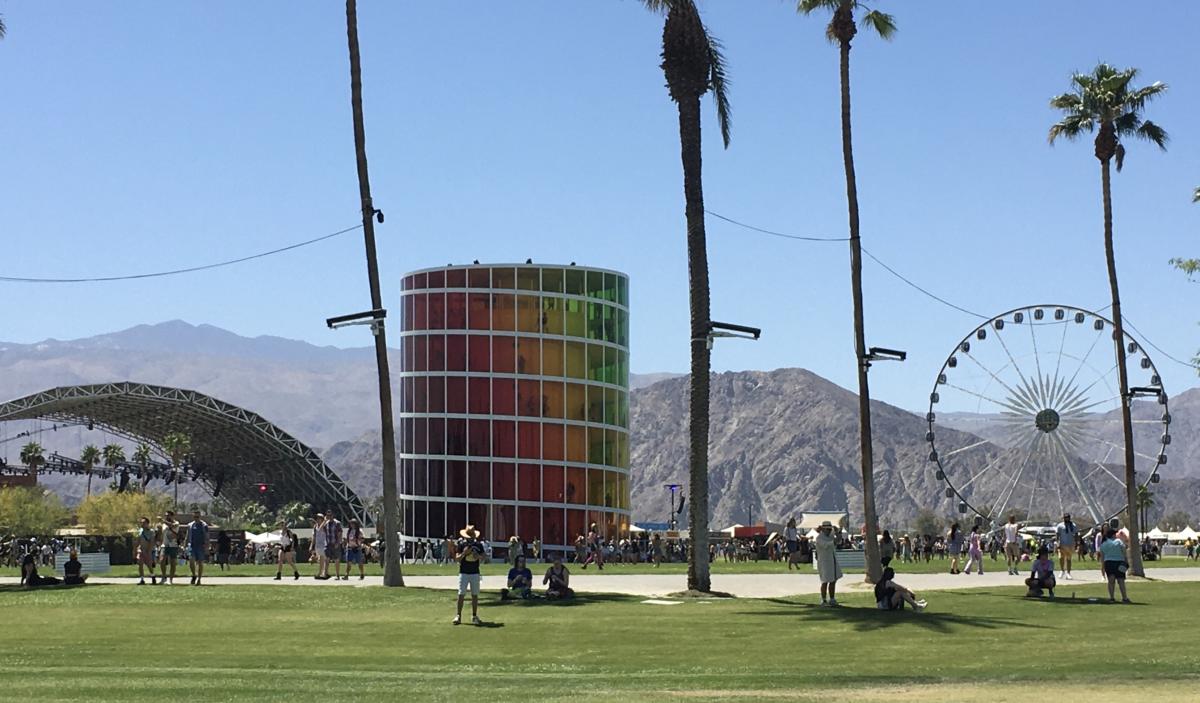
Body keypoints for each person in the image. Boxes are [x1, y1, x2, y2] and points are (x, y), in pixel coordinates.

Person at [453, 524, 486, 625]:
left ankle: (474, 615)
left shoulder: (479, 545)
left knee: (474, 595)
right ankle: (458, 615)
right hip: (464, 572)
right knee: (461, 594)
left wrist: (478, 556)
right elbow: (457, 559)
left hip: (475, 572)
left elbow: (484, 557)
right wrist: (464, 553)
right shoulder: (461, 545)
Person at [1099, 527, 1132, 603]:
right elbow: (1124, 552)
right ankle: (1124, 598)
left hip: (1109, 563)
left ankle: (1111, 598)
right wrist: (1126, 562)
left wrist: (1103, 567)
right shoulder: (1118, 541)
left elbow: (1102, 557)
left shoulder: (1103, 544)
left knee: (1111, 581)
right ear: (1113, 535)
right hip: (1119, 562)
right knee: (1121, 581)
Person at [814, 521, 843, 606]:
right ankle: (823, 600)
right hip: (824, 562)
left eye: (830, 529)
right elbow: (827, 545)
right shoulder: (819, 538)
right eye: (827, 529)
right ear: (823, 529)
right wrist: (836, 537)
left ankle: (832, 599)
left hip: (832, 560)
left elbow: (838, 540)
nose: (829, 531)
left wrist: (838, 532)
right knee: (825, 581)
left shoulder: (830, 535)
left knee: (833, 580)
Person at [185, 510, 210, 586]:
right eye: (195, 517)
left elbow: (207, 536)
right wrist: (185, 545)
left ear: (200, 517)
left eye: (197, 517)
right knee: (191, 561)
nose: (196, 518)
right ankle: (194, 575)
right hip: (192, 546)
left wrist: (207, 546)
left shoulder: (204, 525)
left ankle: (199, 579)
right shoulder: (190, 525)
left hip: (201, 546)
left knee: (200, 563)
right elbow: (187, 535)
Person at [159, 512, 181, 584]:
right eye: (165, 516)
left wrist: (163, 521)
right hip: (165, 545)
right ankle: (163, 577)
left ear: (172, 516)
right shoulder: (163, 525)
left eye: (168, 515)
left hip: (173, 545)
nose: (166, 517)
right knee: (162, 560)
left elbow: (172, 526)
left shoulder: (176, 523)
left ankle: (170, 579)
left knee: (172, 563)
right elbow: (162, 534)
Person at [323, 510, 345, 581]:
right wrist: (324, 521)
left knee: (336, 560)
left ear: (333, 515)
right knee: (326, 559)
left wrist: (338, 543)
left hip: (335, 544)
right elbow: (323, 530)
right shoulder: (326, 523)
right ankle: (325, 574)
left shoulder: (337, 523)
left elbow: (340, 533)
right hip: (328, 544)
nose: (329, 517)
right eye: (327, 515)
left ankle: (337, 575)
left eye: (330, 515)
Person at [1055, 513, 1078, 580]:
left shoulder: (1073, 525)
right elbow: (1057, 534)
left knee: (1068, 559)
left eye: (1068, 517)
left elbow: (1076, 534)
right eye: (1065, 517)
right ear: (1063, 518)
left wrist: (1076, 543)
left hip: (1070, 544)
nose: (1067, 519)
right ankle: (1062, 570)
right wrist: (1057, 543)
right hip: (1062, 544)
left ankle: (1068, 573)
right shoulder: (1060, 525)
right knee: (1061, 558)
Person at [135, 517, 158, 585]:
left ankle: (153, 576)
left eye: (144, 523)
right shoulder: (140, 531)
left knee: (149, 565)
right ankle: (142, 579)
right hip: (141, 550)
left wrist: (148, 551)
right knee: (140, 564)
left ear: (147, 523)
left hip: (148, 551)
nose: (142, 524)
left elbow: (151, 542)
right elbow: (139, 541)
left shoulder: (151, 532)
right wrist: (137, 549)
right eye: (141, 523)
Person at [312, 513, 329, 579]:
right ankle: (321, 573)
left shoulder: (325, 525)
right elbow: (314, 536)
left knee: (323, 559)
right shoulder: (315, 526)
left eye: (319, 518)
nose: (318, 519)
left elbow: (320, 529)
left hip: (323, 544)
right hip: (318, 545)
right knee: (320, 559)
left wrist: (325, 520)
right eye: (317, 518)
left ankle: (322, 573)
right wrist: (312, 545)